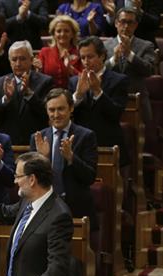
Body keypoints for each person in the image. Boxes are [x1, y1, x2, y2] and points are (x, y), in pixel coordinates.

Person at [30, 88, 98, 232]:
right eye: (51, 110)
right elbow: (32, 180)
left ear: (71, 108)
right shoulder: (38, 138)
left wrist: (71, 157)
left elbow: (90, 177)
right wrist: (42, 158)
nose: (56, 115)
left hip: (76, 209)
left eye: (61, 109)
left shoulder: (86, 136)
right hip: (45, 208)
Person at [68, 36, 130, 167]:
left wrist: (98, 92)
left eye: (90, 57)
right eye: (83, 58)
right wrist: (78, 95)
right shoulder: (74, 82)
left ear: (102, 56)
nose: (85, 62)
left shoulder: (119, 80)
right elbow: (67, 114)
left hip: (108, 142)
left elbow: (116, 114)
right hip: (80, 144)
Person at [0, 40, 53, 145]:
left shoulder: (45, 82)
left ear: (32, 60)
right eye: (14, 59)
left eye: (22, 59)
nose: (18, 63)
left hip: (35, 144)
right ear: (9, 61)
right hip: (7, 144)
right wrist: (6, 99)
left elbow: (47, 113)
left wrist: (29, 94)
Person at [104, 7, 155, 124]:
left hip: (138, 101)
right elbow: (99, 72)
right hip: (111, 100)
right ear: (116, 23)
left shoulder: (146, 46)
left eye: (130, 22)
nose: (126, 26)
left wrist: (129, 54)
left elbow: (149, 70)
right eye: (123, 21)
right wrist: (114, 60)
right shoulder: (105, 46)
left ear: (136, 25)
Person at [33, 15, 83, 89]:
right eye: (59, 31)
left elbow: (85, 78)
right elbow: (39, 78)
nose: (62, 34)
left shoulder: (80, 52)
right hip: (49, 94)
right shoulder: (45, 52)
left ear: (72, 34)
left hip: (73, 94)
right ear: (54, 34)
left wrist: (70, 69)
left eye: (66, 31)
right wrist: (38, 70)